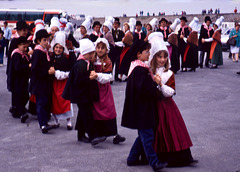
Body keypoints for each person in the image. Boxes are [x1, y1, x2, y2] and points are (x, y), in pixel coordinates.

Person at [148, 34, 198, 167]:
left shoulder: (169, 73)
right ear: (154, 57)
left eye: (165, 57)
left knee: (171, 129)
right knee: (156, 130)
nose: (162, 59)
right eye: (159, 56)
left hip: (166, 106)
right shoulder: (149, 72)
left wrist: (160, 85)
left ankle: (175, 156)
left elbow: (171, 92)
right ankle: (156, 156)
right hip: (153, 106)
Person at [121, 39, 168, 172]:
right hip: (142, 109)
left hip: (140, 108)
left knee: (143, 135)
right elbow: (144, 89)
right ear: (138, 54)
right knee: (147, 136)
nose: (148, 54)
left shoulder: (136, 67)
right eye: (146, 52)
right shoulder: (140, 69)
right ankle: (154, 162)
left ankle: (132, 158)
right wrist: (155, 83)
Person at [62, 39, 106, 145]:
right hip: (82, 95)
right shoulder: (80, 64)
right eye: (90, 53)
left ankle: (81, 134)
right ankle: (93, 136)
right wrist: (89, 78)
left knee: (82, 114)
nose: (92, 55)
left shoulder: (85, 62)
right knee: (87, 115)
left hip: (84, 94)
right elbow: (79, 81)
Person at [91, 38, 125, 145]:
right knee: (96, 110)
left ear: (106, 50)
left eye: (102, 48)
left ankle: (114, 133)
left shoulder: (107, 61)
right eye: (98, 47)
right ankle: (99, 133)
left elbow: (109, 76)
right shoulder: (92, 59)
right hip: (95, 88)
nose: (100, 50)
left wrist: (98, 76)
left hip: (104, 89)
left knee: (108, 109)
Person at [29, 29, 56, 134]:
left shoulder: (44, 51)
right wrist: (47, 72)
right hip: (40, 83)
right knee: (41, 103)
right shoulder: (38, 52)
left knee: (45, 102)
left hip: (45, 83)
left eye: (47, 40)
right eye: (44, 40)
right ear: (39, 41)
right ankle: (43, 124)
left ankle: (45, 121)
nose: (46, 42)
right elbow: (34, 69)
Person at [51, 31, 76, 130]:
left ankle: (68, 121)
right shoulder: (51, 57)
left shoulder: (66, 58)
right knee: (54, 102)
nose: (58, 49)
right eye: (56, 47)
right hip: (54, 83)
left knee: (66, 102)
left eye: (60, 48)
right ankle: (56, 121)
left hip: (64, 82)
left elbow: (71, 68)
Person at [7, 20, 28, 116]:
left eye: (25, 30)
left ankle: (17, 108)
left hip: (21, 70)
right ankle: (16, 109)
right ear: (18, 31)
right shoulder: (15, 41)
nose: (24, 32)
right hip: (15, 69)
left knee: (21, 91)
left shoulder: (24, 39)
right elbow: (11, 56)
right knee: (16, 91)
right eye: (22, 30)